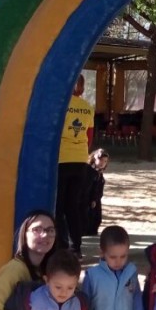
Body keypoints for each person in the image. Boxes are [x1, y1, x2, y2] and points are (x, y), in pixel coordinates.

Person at [56, 74, 96, 252]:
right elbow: (90, 136)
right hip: (80, 159)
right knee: (73, 205)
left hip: (61, 159)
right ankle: (76, 246)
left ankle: (61, 245)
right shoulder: (88, 107)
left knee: (58, 206)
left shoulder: (60, 104)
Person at [86, 148, 110, 238]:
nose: (102, 163)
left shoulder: (98, 173)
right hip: (89, 200)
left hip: (96, 200)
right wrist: (92, 199)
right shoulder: (89, 171)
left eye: (105, 161)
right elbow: (89, 188)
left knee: (96, 218)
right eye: (100, 160)